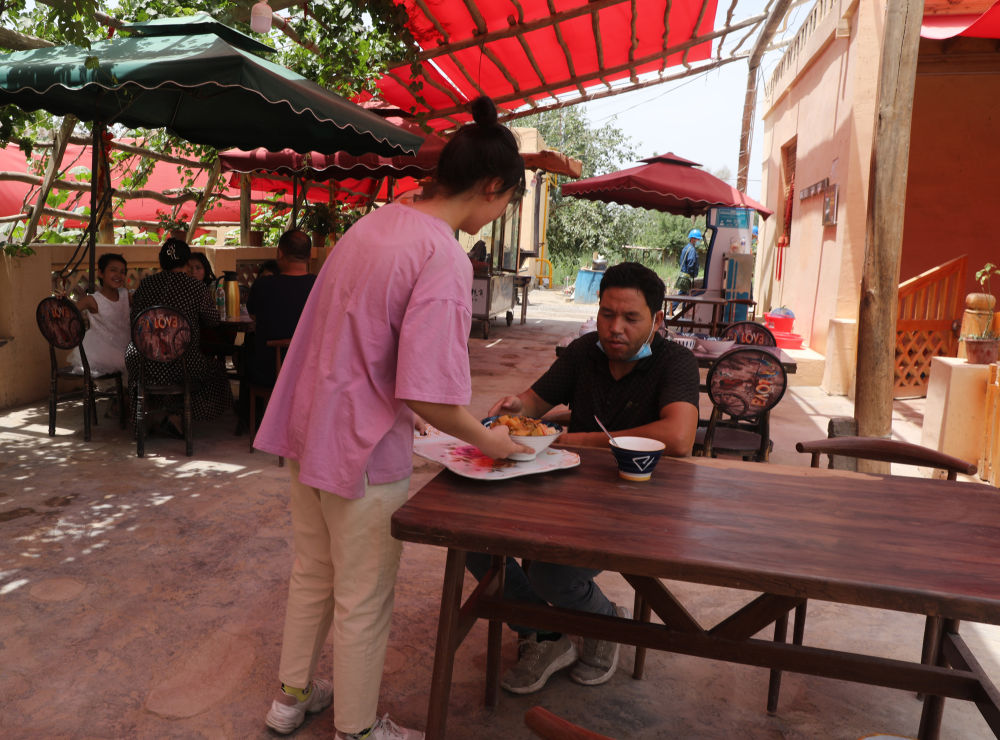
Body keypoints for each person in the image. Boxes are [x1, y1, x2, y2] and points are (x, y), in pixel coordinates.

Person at [254, 96, 532, 740]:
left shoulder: (375, 224)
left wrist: (425, 414)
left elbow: (359, 339)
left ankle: (290, 699)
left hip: (308, 427)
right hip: (363, 449)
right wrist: (492, 442)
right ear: (493, 187)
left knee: (314, 572)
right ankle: (356, 729)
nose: (500, 214)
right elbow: (428, 393)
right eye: (508, 202)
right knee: (364, 594)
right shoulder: (442, 254)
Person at [467, 261, 700, 695]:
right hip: (568, 494)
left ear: (657, 321)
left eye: (630, 318)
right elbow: (534, 403)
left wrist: (576, 440)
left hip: (640, 505)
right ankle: (545, 632)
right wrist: (517, 407)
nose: (615, 328)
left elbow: (680, 437)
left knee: (553, 575)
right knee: (473, 540)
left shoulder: (676, 363)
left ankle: (605, 623)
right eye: (607, 314)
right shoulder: (583, 353)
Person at [126, 238, 232, 437]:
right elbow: (212, 321)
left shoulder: (146, 284)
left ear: (161, 261)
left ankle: (156, 415)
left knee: (159, 370)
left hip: (142, 361)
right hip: (182, 363)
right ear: (186, 262)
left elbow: (134, 320)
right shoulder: (196, 287)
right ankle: (177, 415)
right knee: (215, 370)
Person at [245, 229, 316, 384]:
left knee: (248, 344)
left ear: (279, 253)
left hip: (270, 372)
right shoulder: (321, 285)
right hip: (312, 372)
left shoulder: (263, 285)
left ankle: (248, 400)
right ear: (310, 256)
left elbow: (252, 315)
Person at [66, 252, 130, 377]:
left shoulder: (126, 295)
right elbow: (68, 313)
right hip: (101, 351)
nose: (118, 275)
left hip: (126, 346)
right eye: (113, 270)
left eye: (122, 272)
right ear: (100, 273)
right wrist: (62, 301)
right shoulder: (92, 300)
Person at [674, 228, 701, 298]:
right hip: (687, 277)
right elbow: (690, 263)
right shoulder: (692, 250)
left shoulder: (686, 248)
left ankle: (675, 304)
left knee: (685, 296)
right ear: (693, 239)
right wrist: (692, 274)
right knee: (682, 295)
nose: (699, 241)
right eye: (698, 239)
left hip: (683, 276)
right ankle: (672, 305)